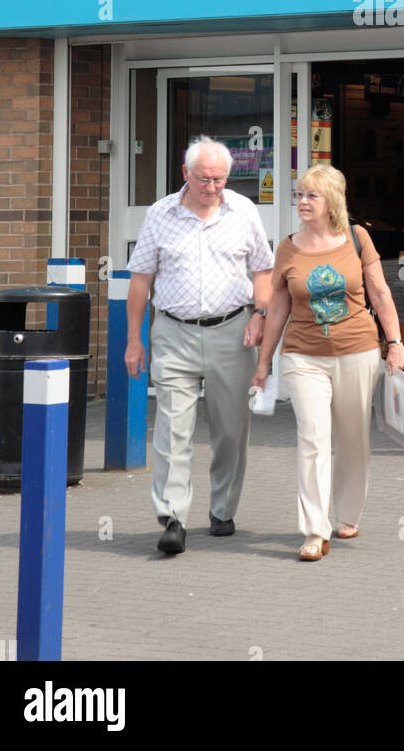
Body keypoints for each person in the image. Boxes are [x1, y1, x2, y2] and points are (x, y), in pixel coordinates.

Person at [252, 164, 404, 561]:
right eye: (300, 194)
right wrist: (263, 362)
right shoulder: (288, 246)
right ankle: (315, 530)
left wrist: (395, 343)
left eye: (311, 195)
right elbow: (278, 308)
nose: (302, 202)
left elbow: (380, 293)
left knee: (353, 438)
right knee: (312, 437)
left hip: (358, 351)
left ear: (331, 201)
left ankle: (348, 513)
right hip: (303, 356)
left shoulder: (357, 238)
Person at [125, 136, 273, 555]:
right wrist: (134, 340)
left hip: (232, 330)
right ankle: (172, 517)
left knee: (230, 429)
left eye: (220, 180)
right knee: (173, 428)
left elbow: (263, 270)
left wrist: (259, 314)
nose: (212, 187)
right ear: (185, 174)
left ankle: (223, 509)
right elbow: (141, 281)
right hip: (173, 332)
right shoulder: (160, 215)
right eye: (205, 179)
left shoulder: (243, 211)